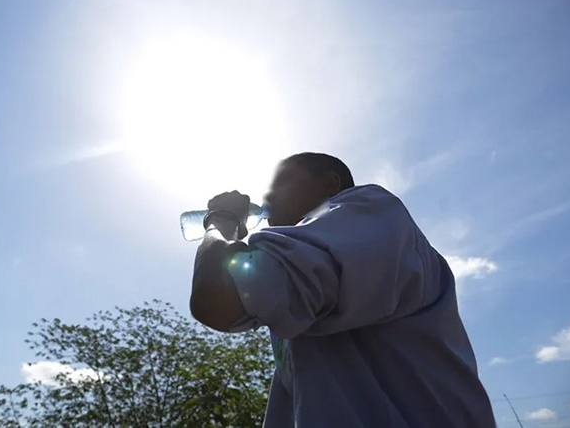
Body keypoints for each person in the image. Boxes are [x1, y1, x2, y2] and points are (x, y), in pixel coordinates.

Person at [190, 152, 495, 427]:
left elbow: (217, 298)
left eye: (283, 182)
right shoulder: (306, 278)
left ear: (330, 185)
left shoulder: (370, 210)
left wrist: (221, 221)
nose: (268, 195)